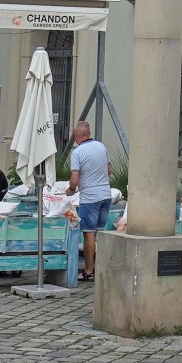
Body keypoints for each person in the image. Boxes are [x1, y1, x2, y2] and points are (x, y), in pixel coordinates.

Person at [66, 120, 112, 281]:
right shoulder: (101, 146)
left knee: (89, 234)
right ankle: (101, 268)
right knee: (100, 233)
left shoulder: (77, 152)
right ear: (89, 133)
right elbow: (109, 170)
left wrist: (71, 189)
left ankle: (89, 271)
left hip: (90, 198)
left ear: (75, 135)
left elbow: (74, 179)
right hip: (106, 195)